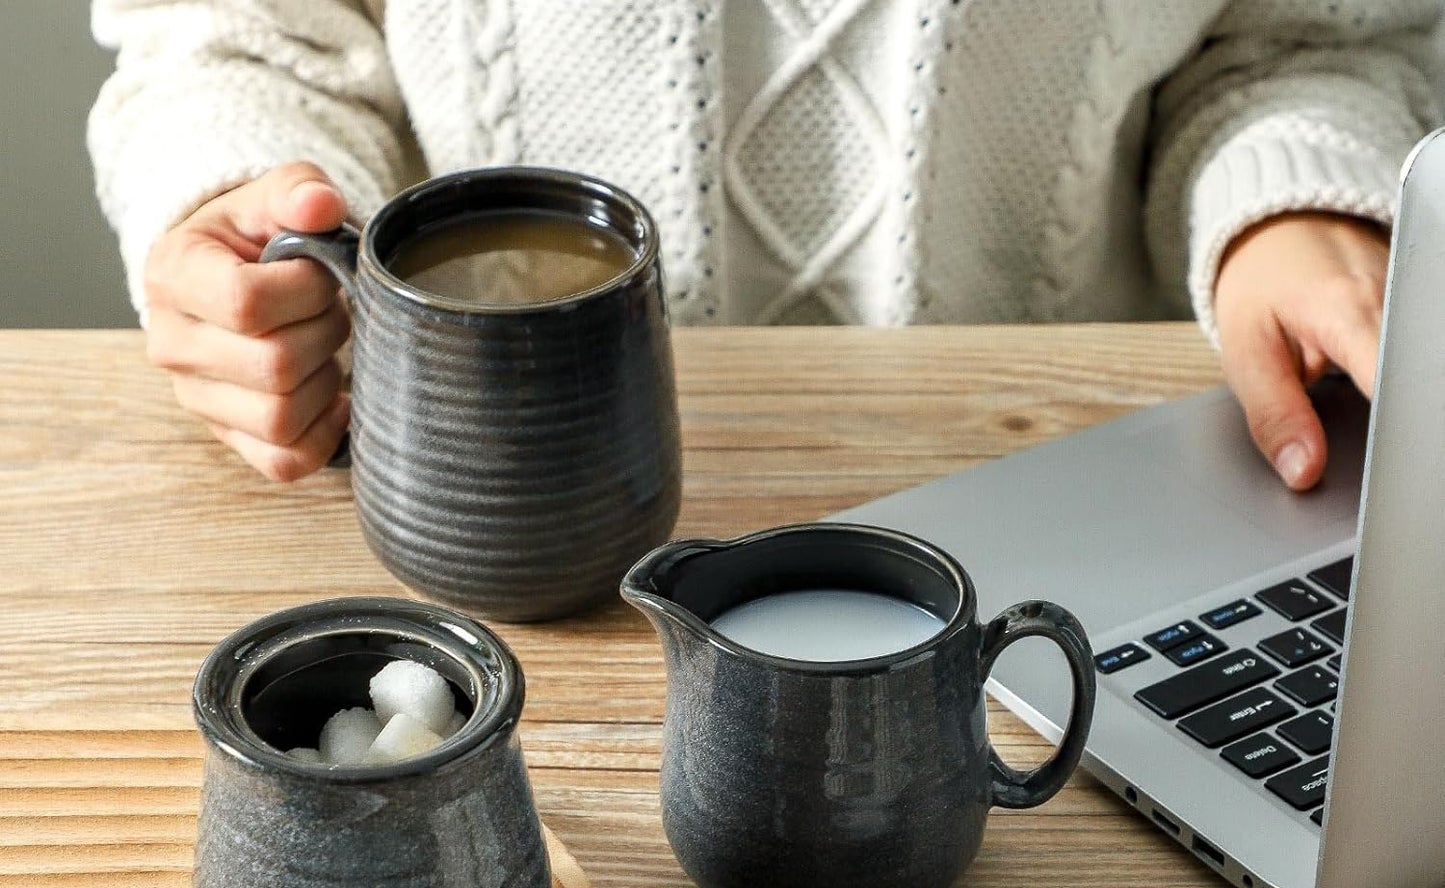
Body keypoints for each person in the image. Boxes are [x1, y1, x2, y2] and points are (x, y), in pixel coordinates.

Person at [89, 1, 1442, 487]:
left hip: (1081, 490)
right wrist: (245, 210)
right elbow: (228, 36)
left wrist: (1286, 204)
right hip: (482, 509)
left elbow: (1306, 43)